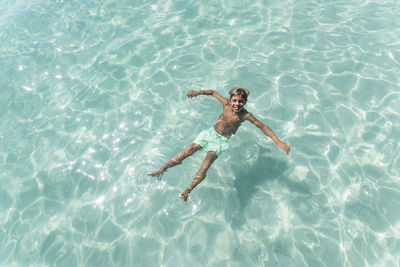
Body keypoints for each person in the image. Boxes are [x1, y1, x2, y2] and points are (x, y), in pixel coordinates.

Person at [147, 87, 290, 201]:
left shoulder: (245, 115)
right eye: (234, 100)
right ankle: (162, 170)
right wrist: (197, 93)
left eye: (240, 102)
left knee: (206, 163)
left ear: (245, 103)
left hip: (221, 142)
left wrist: (277, 140)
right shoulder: (225, 104)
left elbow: (262, 126)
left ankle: (187, 191)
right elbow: (213, 92)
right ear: (230, 99)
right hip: (210, 133)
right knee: (190, 149)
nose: (237, 104)